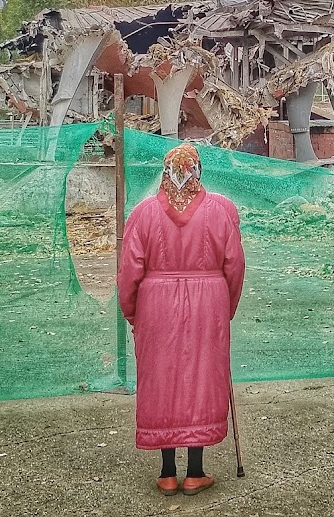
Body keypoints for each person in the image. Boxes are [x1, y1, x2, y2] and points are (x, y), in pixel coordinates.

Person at [117, 141, 245, 496]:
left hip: (155, 307)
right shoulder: (222, 210)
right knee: (201, 377)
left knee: (162, 379)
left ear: (166, 172)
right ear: (197, 171)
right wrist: (225, 309)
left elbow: (128, 273)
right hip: (209, 305)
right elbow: (235, 267)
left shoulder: (143, 213)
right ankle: (195, 472)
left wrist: (135, 314)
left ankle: (167, 473)